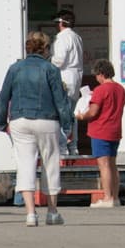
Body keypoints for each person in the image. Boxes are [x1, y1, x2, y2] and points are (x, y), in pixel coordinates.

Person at [0, 31, 72, 227]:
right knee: (50, 163)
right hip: (47, 120)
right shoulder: (51, 69)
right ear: (45, 49)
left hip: (19, 120)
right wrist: (67, 125)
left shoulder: (15, 68)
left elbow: (3, 98)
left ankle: (30, 214)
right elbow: (60, 101)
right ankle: (52, 212)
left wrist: (2, 122)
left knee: (25, 164)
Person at [75, 59, 125, 208]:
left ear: (101, 74)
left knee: (103, 165)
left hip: (100, 130)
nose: (96, 78)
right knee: (112, 165)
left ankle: (107, 198)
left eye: (97, 75)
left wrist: (81, 116)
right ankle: (115, 198)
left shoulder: (100, 90)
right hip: (115, 130)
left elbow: (93, 112)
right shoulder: (120, 89)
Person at [51, 9, 84, 156]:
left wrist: (47, 61)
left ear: (60, 23)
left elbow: (59, 60)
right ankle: (73, 146)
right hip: (76, 77)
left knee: (62, 112)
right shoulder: (77, 37)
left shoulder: (62, 37)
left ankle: (63, 147)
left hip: (64, 76)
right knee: (72, 114)